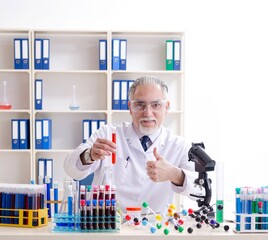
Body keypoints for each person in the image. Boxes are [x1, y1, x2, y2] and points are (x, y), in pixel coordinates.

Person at [64, 75, 201, 214]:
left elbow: (202, 192)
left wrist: (176, 175)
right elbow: (70, 168)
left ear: (166, 107)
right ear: (130, 107)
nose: (147, 113)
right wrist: (89, 155)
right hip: (106, 226)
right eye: (140, 105)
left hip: (152, 228)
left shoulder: (179, 145)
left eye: (156, 105)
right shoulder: (108, 134)